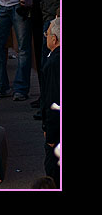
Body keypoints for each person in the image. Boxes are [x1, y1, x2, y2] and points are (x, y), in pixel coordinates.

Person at [40, 16, 60, 187]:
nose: (45, 37)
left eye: (46, 34)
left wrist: (51, 135)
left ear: (54, 39)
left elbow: (54, 102)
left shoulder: (54, 63)